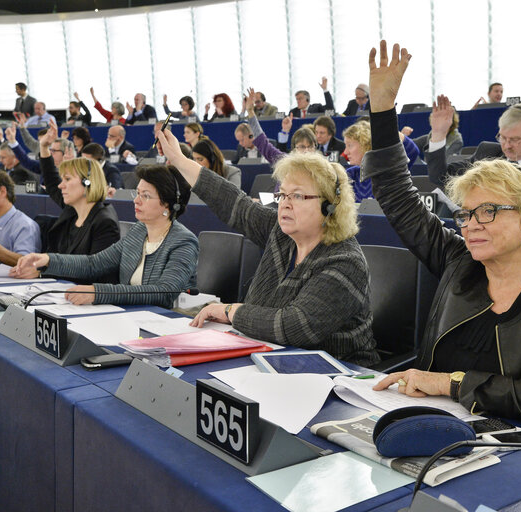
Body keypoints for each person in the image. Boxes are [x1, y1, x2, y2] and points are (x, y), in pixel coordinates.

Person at [365, 41, 521, 428]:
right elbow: (397, 196)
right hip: (428, 426)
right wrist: (382, 110)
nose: (470, 224)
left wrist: (450, 384)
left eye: (487, 211)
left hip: (511, 450)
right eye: (466, 214)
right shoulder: (459, 261)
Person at [157, 127, 379, 367]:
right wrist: (179, 160)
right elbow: (235, 203)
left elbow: (294, 327)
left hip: (340, 375)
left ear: (330, 207)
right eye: (282, 195)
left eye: (297, 196)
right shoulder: (281, 232)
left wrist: (230, 311)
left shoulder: (345, 262)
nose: (284, 204)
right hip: (268, 360)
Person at [14, 165, 198, 309]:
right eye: (138, 193)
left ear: (168, 204)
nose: (136, 200)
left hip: (166, 322)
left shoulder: (183, 242)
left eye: (146, 196)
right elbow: (95, 263)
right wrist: (47, 259)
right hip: (133, 315)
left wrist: (98, 292)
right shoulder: (138, 232)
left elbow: (163, 293)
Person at [9, 124, 120, 281]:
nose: (61, 185)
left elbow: (95, 270)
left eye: (67, 179)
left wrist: (44, 271)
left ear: (87, 182)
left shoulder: (105, 222)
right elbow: (51, 179)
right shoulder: (73, 210)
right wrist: (44, 146)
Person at [427, 98, 521, 202]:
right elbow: (441, 177)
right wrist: (438, 134)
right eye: (503, 137)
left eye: (515, 139)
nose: (507, 145)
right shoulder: (487, 153)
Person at [343, 118, 420, 202]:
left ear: (365, 144)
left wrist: (383, 128)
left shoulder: (389, 172)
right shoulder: (352, 174)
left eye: (349, 145)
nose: (345, 152)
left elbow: (413, 151)